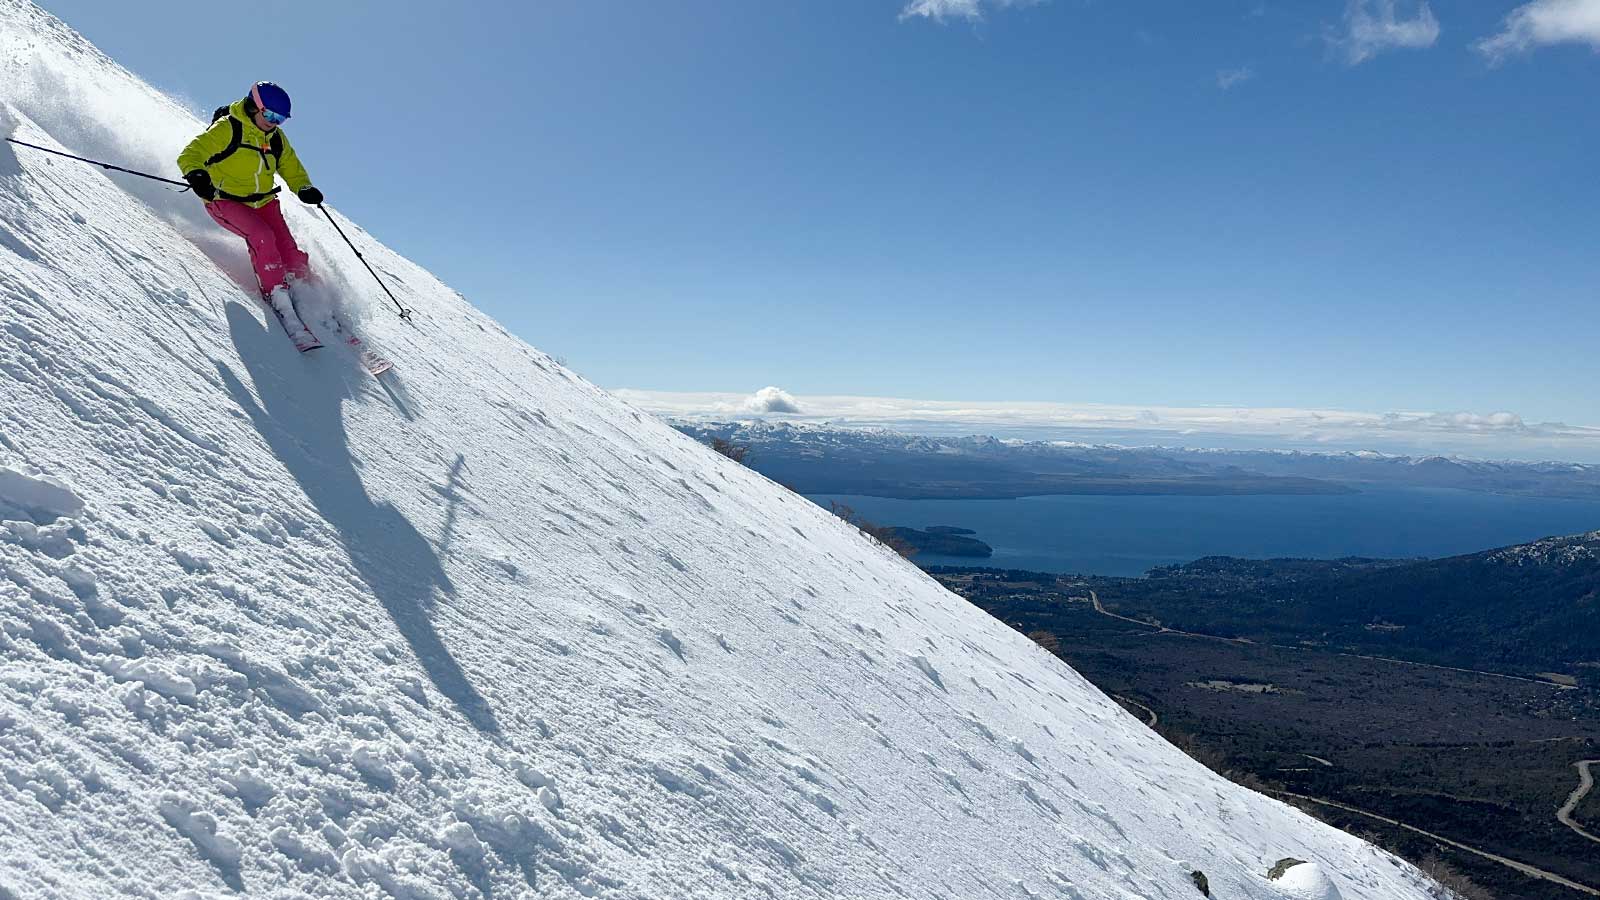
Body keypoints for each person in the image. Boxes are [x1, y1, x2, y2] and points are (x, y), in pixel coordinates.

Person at [177, 81, 327, 351]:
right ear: (254, 107)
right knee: (262, 237)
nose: (273, 123)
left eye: (280, 119)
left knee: (290, 253)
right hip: (225, 200)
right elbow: (192, 153)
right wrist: (197, 175)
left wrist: (304, 187)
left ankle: (311, 294)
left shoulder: (276, 138)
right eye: (269, 115)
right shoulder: (228, 127)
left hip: (264, 202)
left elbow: (291, 167)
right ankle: (277, 296)